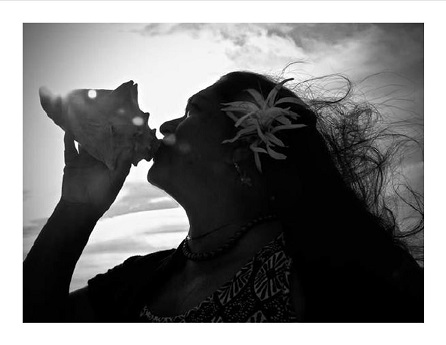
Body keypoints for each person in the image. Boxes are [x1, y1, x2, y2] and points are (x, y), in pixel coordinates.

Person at [23, 71, 423, 322]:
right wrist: (75, 211)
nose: (164, 124)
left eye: (192, 110)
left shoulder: (336, 279)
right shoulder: (138, 279)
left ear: (243, 151)